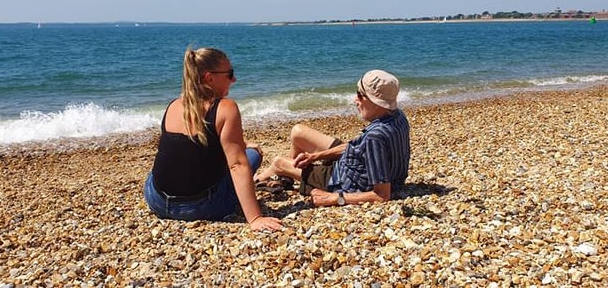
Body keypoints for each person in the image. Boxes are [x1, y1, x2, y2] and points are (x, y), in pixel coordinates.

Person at [143, 47, 282, 231]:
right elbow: (237, 165)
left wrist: (241, 143)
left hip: (157, 200)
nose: (234, 79)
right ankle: (243, 199)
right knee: (252, 155)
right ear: (209, 78)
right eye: (229, 74)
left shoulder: (173, 106)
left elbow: (186, 150)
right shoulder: (226, 108)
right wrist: (255, 218)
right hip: (200, 208)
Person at [254, 70, 410, 207]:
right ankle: (287, 179)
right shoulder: (397, 116)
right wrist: (315, 156)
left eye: (360, 95)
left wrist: (335, 198)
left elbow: (382, 195)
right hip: (354, 163)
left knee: (278, 163)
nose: (355, 100)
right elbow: (359, 148)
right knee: (298, 132)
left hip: (341, 180)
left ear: (376, 103)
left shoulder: (375, 137)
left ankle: (254, 181)